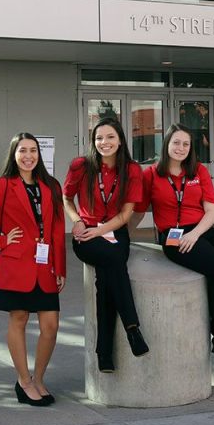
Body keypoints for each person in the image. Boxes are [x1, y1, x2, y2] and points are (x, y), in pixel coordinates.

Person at [131, 123, 214, 362]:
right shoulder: (151, 174)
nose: (181, 148)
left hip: (201, 229)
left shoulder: (198, 171)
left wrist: (195, 234)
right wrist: (118, 235)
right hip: (173, 236)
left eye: (186, 144)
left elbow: (211, 211)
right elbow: (138, 212)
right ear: (166, 144)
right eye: (176, 142)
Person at [0, 132, 67, 406]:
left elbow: (57, 229)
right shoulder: (3, 185)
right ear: (14, 154)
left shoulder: (51, 186)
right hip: (16, 264)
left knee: (51, 325)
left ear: (39, 154)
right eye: (22, 150)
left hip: (45, 266)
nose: (28, 156)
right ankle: (24, 381)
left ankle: (39, 378)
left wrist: (60, 266)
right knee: (19, 318)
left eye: (33, 150)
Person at [63, 118, 148, 373]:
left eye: (110, 137)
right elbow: (66, 198)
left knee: (106, 279)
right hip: (86, 234)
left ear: (120, 140)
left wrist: (100, 230)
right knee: (114, 263)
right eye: (99, 138)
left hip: (114, 230)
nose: (104, 142)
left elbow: (126, 214)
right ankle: (132, 328)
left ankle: (104, 353)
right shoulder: (81, 166)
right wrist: (77, 221)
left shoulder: (132, 170)